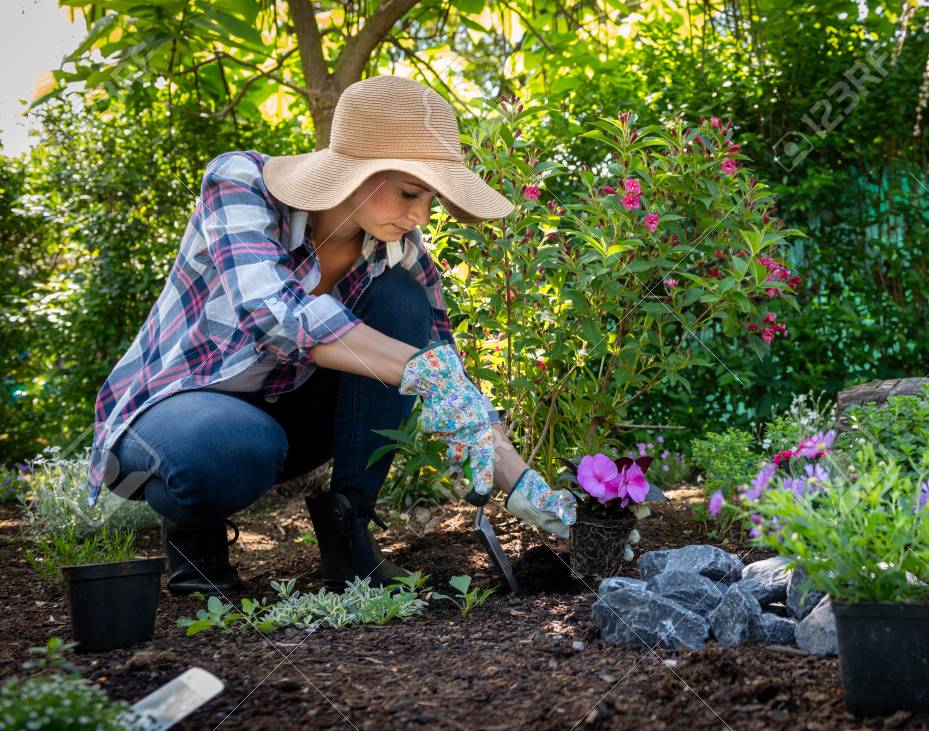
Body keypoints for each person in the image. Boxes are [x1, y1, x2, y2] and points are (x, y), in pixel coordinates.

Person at [84, 75, 578, 596]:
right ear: (355, 174)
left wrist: (521, 482)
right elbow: (272, 314)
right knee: (230, 448)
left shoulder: (399, 253)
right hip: (174, 414)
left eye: (430, 198)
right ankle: (195, 540)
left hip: (286, 419)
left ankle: (348, 535)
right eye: (410, 193)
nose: (420, 215)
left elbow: (444, 372)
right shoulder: (241, 184)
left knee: (402, 299)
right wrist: (421, 370)